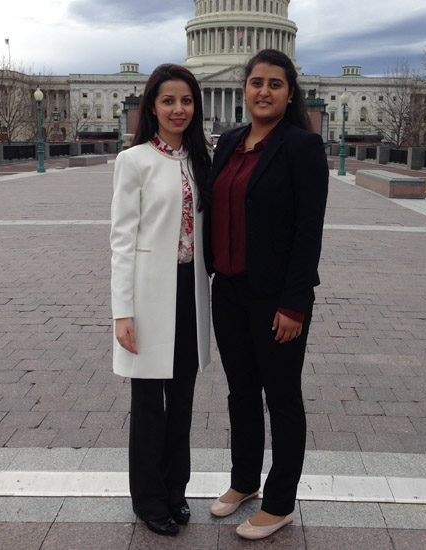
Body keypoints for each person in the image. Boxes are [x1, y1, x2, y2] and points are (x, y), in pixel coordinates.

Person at [204, 49, 329, 540]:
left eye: (275, 84)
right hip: (229, 290)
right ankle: (243, 482)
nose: (264, 91)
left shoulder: (302, 146)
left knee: (281, 397)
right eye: (256, 82)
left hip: (277, 298)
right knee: (240, 394)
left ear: (289, 93)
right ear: (244, 90)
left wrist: (294, 303)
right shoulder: (230, 141)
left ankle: (280, 503)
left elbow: (308, 232)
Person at [110, 64, 212, 537]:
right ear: (152, 105)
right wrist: (122, 312)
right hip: (151, 295)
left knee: (184, 401)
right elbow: (121, 241)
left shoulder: (196, 158)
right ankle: (149, 500)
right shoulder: (134, 161)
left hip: (190, 293)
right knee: (150, 403)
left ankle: (176, 490)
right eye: (168, 100)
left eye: (187, 101)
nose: (178, 109)